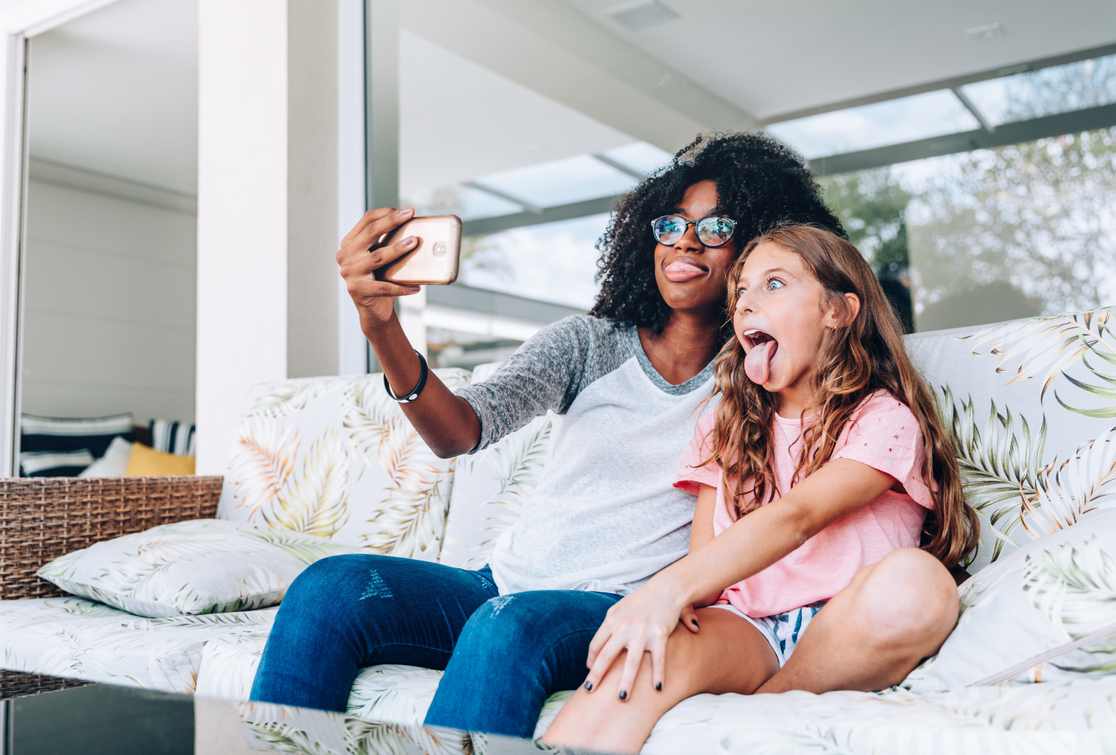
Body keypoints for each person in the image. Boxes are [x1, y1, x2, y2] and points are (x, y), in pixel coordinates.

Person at [250, 134, 916, 738]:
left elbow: (828, 411)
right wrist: (379, 326)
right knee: (331, 588)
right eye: (670, 225)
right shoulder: (587, 345)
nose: (685, 243)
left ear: (762, 246)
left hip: (606, 607)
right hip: (499, 585)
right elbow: (458, 432)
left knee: (508, 628)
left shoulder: (762, 371)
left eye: (716, 227)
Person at [542, 224, 979, 753]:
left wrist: (666, 587)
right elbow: (707, 559)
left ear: (838, 310)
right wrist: (668, 606)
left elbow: (798, 516)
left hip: (848, 621)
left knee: (919, 585)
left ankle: (768, 706)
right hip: (747, 627)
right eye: (741, 291)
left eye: (775, 284)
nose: (747, 303)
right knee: (636, 659)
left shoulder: (884, 419)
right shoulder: (724, 423)